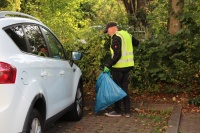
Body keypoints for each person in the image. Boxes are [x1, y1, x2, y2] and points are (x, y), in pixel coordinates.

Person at [103, 22, 139, 118]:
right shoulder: (127, 34)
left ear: (112, 28)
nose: (107, 33)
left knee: (116, 89)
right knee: (124, 88)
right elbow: (137, 43)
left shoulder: (116, 37)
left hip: (118, 67)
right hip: (128, 66)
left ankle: (117, 110)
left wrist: (108, 65)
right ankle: (127, 111)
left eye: (107, 31)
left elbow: (117, 55)